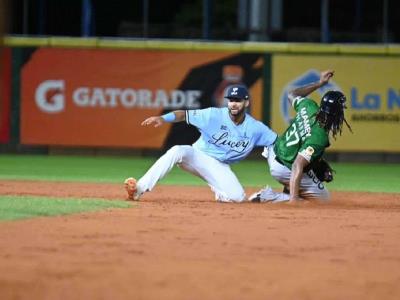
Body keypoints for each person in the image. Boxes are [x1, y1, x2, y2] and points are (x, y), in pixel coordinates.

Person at [124, 85, 277, 203]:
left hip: (218, 165)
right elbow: (183, 114)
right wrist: (163, 118)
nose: (234, 104)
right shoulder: (213, 115)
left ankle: (222, 193)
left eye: (238, 100)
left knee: (238, 198)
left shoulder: (256, 128)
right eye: (231, 100)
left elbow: (277, 141)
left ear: (246, 102)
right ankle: (139, 188)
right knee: (178, 150)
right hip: (196, 156)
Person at [249, 70, 352, 203]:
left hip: (274, 150)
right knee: (323, 200)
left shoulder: (308, 106)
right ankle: (270, 196)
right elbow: (297, 164)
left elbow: (292, 94)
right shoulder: (319, 137)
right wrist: (294, 199)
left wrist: (320, 83)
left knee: (307, 163)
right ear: (337, 113)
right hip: (283, 167)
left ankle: (289, 190)